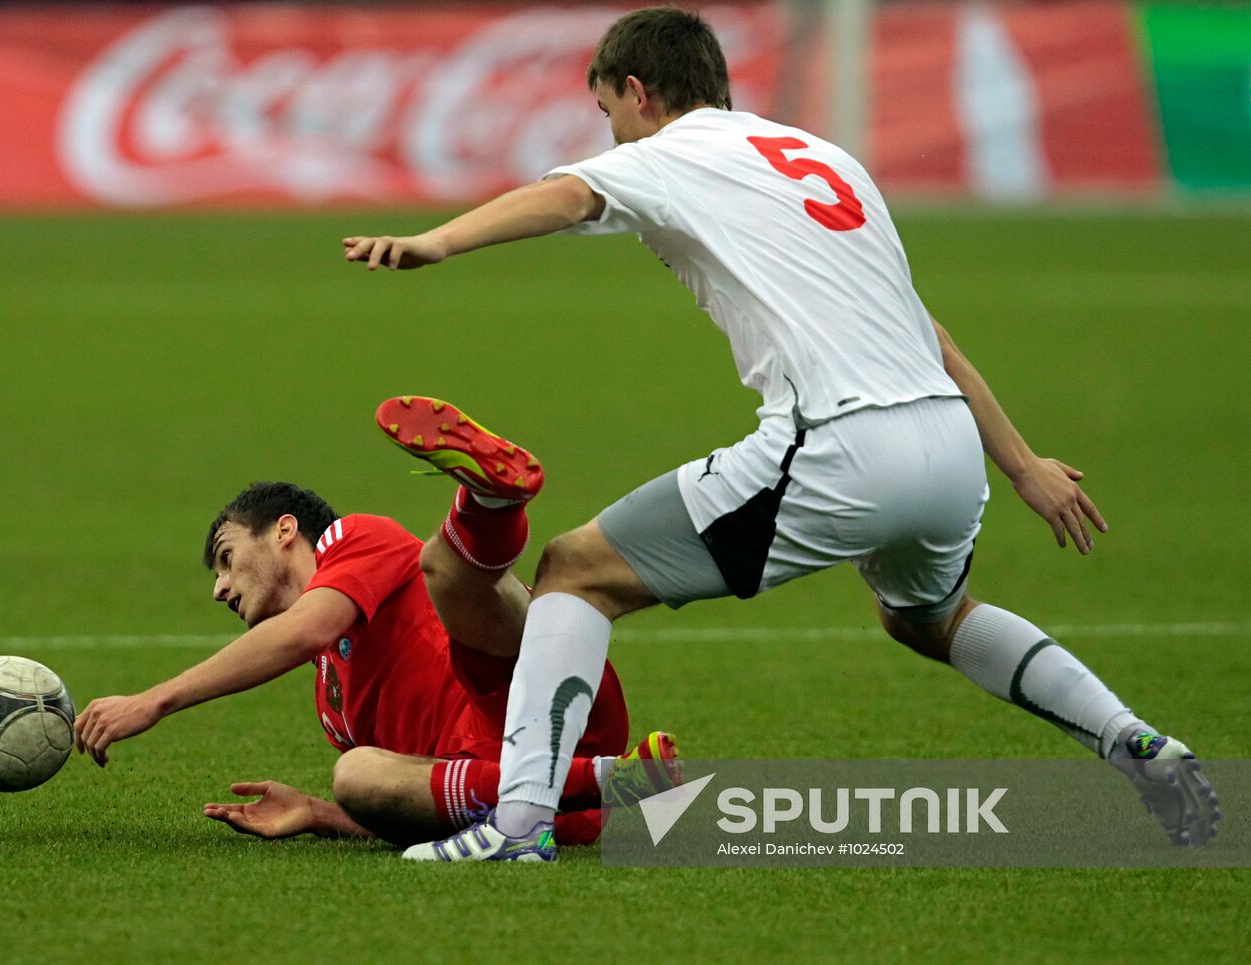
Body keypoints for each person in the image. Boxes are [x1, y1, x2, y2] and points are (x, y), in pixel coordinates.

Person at [343, 7, 1220, 861]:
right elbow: (929, 332)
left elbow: (568, 195)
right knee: (931, 616)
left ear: (639, 93)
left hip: (839, 445)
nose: (610, 133)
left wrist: (439, 242)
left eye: (607, 110)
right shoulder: (827, 158)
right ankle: (1135, 742)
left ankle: (520, 822)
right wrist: (1023, 465)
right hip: (948, 446)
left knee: (576, 570)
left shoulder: (670, 153)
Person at [72, 396, 681, 848]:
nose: (219, 588)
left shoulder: (354, 538)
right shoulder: (332, 701)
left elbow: (307, 628)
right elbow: (404, 799)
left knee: (449, 574)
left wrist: (153, 701)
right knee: (355, 772)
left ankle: (489, 501)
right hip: (529, 797)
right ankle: (612, 782)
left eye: (227, 559)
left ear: (285, 530)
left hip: (540, 697)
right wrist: (317, 812)